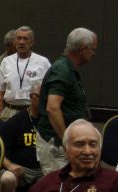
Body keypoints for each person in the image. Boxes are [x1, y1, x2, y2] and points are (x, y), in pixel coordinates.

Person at [35, 27, 98, 175]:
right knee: (59, 186)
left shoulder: (67, 69)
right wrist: (67, 141)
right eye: (93, 49)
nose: (94, 54)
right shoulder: (62, 69)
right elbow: (52, 108)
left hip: (62, 144)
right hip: (57, 144)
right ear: (83, 49)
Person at [0, 85, 43, 192]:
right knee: (6, 179)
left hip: (42, 169)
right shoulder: (16, 121)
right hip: (20, 169)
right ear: (32, 97)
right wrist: (10, 166)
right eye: (42, 97)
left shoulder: (49, 121)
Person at [0, 26, 51, 120]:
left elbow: (50, 90)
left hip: (32, 112)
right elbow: (0, 91)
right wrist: (1, 111)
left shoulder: (43, 62)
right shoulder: (6, 61)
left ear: (32, 42)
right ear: (14, 41)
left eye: (25, 39)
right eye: (19, 38)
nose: (22, 42)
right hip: (9, 111)